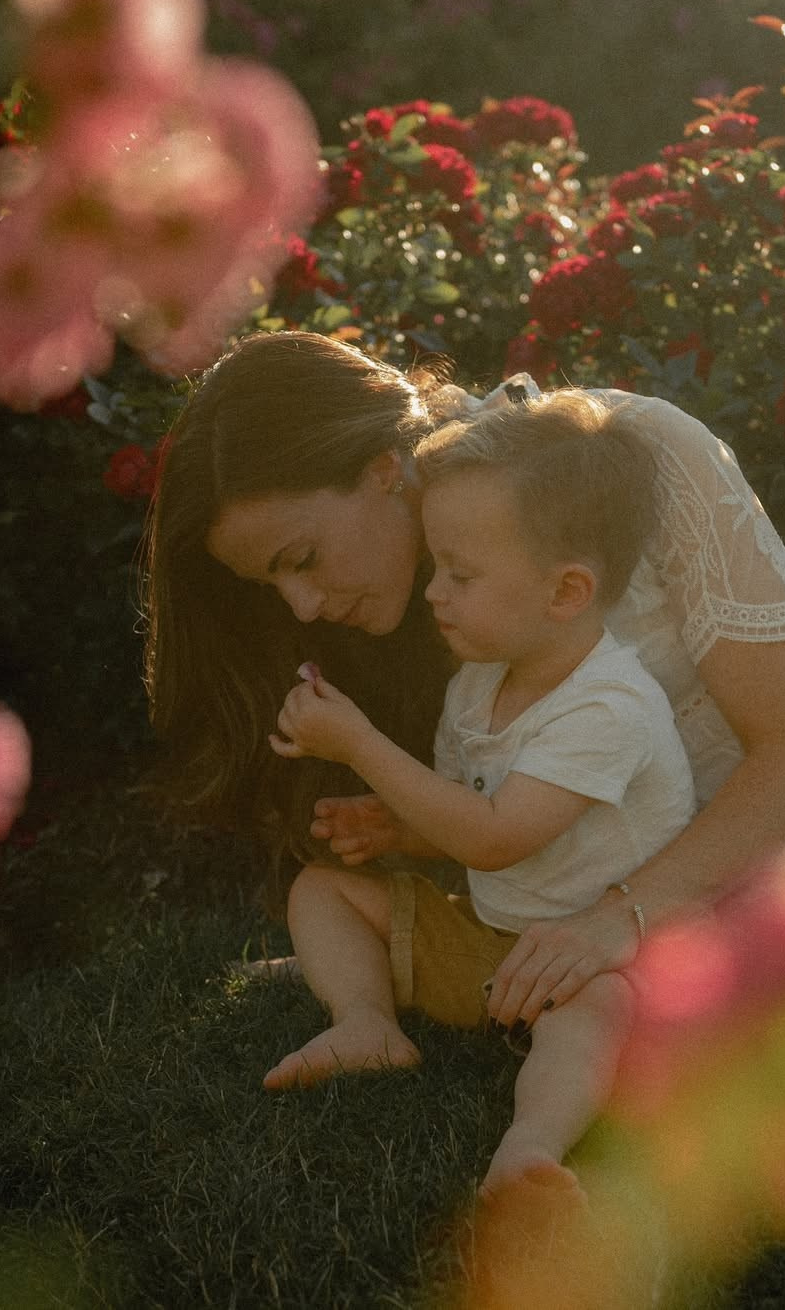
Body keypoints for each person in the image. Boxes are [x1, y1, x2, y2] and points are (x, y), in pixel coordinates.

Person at [143, 330, 785, 1043]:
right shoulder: (414, 604)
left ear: (383, 469)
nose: (302, 603)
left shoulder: (626, 452)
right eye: (272, 585)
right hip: (689, 865)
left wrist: (616, 919)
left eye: (301, 558)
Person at [242, 392, 696, 1197]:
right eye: (437, 567)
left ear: (564, 594)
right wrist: (399, 834)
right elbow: (464, 826)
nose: (432, 593)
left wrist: (359, 746)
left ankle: (528, 1152)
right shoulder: (479, 686)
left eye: (461, 574)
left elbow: (493, 837)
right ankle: (367, 1023)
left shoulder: (609, 708)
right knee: (324, 888)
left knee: (589, 1017)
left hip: (600, 957)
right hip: (498, 945)